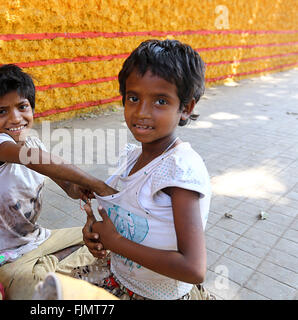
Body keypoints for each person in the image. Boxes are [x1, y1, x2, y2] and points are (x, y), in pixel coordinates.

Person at [73, 39, 215, 300]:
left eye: (160, 101)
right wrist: (96, 234)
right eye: (133, 98)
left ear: (186, 108)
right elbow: (130, 216)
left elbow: (194, 269)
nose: (141, 112)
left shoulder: (179, 171)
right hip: (118, 278)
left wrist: (115, 242)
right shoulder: (133, 157)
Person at [0, 64, 116, 299]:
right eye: (2, 112)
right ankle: (53, 272)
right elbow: (34, 160)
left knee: (108, 241)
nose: (15, 118)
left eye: (22, 107)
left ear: (32, 107)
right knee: (41, 291)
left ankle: (55, 267)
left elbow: (68, 186)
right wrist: (98, 184)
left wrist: (80, 189)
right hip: (6, 258)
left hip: (41, 240)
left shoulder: (35, 143)